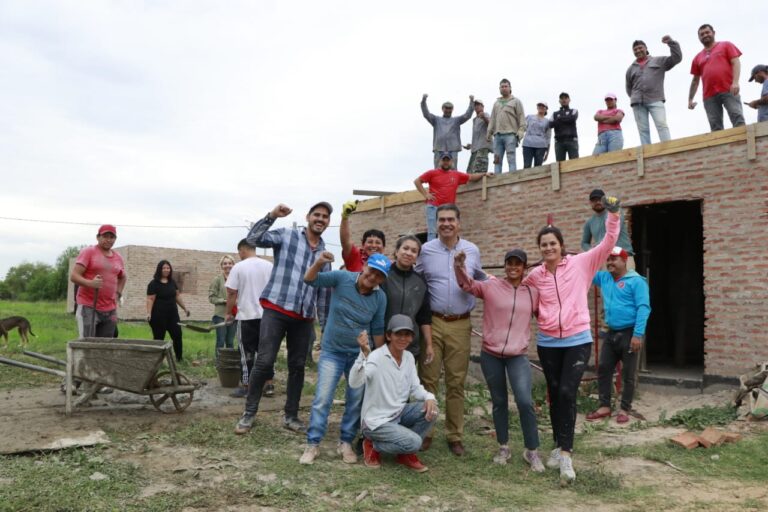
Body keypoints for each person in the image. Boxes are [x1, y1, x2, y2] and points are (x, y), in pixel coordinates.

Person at [523, 194, 621, 484]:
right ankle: (556, 446)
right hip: (548, 342)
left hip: (577, 339)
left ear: (561, 245)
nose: (549, 248)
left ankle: (566, 454)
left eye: (553, 243)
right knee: (555, 394)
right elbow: (514, 289)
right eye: (544, 245)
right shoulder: (535, 275)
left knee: (567, 391)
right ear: (539, 249)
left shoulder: (581, 264)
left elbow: (606, 243)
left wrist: (613, 215)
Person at [234, 201, 332, 435]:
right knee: (264, 360)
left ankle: (291, 415)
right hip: (277, 309)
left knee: (297, 366)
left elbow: (323, 292)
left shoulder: (324, 253)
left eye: (325, 217)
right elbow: (253, 239)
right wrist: (272, 215)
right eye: (317, 215)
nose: (320, 219)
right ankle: (249, 414)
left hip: (304, 316)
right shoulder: (287, 236)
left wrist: (325, 326)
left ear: (328, 222)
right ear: (308, 217)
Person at [454, 248, 545, 471]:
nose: (513, 267)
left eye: (518, 264)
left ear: (525, 268)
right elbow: (467, 284)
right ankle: (503, 447)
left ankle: (531, 450)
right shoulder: (491, 286)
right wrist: (459, 266)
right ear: (505, 265)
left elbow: (545, 313)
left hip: (518, 356)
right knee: (499, 401)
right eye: (509, 263)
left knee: (524, 401)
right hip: (491, 354)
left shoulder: (533, 292)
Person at [299, 252, 389, 465]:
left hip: (358, 356)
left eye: (379, 275)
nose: (373, 277)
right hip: (332, 351)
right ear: (364, 265)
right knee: (323, 398)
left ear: (383, 279)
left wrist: (379, 359)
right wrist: (319, 262)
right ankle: (313, 444)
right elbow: (310, 280)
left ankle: (345, 441)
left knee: (355, 400)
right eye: (372, 270)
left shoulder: (380, 298)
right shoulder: (343, 278)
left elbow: (377, 329)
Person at [415, 204, 484, 456]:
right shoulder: (426, 250)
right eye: (441, 219)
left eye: (450, 219)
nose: (446, 224)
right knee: (428, 380)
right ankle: (426, 431)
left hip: (460, 323)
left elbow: (479, 279)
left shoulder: (472, 250)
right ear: (436, 223)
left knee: (456, 381)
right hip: (431, 324)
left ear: (459, 222)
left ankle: (455, 435)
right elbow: (414, 277)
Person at [349, 315, 439, 472]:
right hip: (375, 421)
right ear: (389, 335)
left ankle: (404, 453)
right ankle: (372, 444)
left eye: (407, 334)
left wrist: (429, 397)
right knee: (415, 442)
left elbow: (415, 388)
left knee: (433, 409)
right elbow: (354, 382)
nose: (403, 338)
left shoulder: (409, 357)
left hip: (397, 413)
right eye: (399, 334)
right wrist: (363, 354)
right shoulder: (376, 357)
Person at [586, 247, 651, 424]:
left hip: (630, 333)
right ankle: (605, 406)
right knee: (604, 369)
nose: (609, 262)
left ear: (624, 261)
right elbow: (586, 271)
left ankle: (625, 408)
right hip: (612, 333)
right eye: (608, 259)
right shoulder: (605, 278)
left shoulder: (636, 281)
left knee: (629, 374)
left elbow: (643, 308)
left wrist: (638, 335)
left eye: (614, 259)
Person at [225, 239, 274, 398]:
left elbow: (232, 293)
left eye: (239, 253)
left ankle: (247, 386)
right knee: (265, 352)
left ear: (242, 250)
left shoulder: (238, 267)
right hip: (267, 317)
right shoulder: (269, 266)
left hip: (246, 317)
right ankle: (268, 385)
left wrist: (228, 313)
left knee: (246, 353)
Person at [380, 235, 433, 362]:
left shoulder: (420, 282)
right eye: (405, 248)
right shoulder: (382, 276)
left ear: (417, 257)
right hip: (383, 343)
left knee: (406, 381)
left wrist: (429, 345)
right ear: (397, 251)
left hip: (409, 345)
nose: (409, 253)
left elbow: (424, 317)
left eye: (414, 251)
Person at [414, 153, 490, 241]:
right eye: (444, 160)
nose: (446, 162)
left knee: (449, 231)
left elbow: (471, 177)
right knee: (433, 231)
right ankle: (431, 254)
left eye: (448, 160)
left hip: (448, 209)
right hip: (433, 206)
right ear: (440, 162)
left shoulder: (456, 175)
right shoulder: (432, 173)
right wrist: (426, 194)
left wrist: (484, 174)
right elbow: (417, 181)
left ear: (451, 162)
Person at [70, 224, 126, 338]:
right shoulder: (89, 252)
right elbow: (74, 276)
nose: (108, 239)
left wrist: (118, 293)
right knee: (88, 344)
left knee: (106, 346)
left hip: (110, 309)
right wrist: (90, 283)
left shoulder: (118, 258)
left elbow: (123, 277)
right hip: (88, 307)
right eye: (105, 236)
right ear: (98, 237)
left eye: (112, 237)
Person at [625, 36, 682, 145]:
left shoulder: (659, 61)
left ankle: (668, 148)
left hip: (655, 99)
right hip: (637, 103)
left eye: (640, 48)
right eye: (635, 49)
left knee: (662, 125)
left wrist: (671, 43)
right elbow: (628, 87)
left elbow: (677, 58)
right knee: (643, 131)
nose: (638, 51)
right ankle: (646, 153)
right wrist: (634, 97)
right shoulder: (630, 69)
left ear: (646, 48)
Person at [688, 24, 745, 131]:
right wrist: (690, 99)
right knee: (715, 126)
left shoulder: (726, 45)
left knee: (737, 117)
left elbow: (736, 62)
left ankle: (744, 145)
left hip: (728, 89)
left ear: (713, 33)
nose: (705, 35)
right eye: (702, 34)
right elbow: (695, 80)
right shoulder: (697, 58)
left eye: (707, 32)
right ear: (699, 38)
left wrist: (735, 82)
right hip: (709, 96)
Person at [146, 260, 190, 362]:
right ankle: (157, 361)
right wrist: (148, 313)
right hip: (158, 316)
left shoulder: (172, 282)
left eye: (168, 268)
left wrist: (185, 308)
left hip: (173, 315)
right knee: (159, 339)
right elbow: (150, 299)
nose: (166, 270)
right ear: (159, 270)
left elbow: (177, 296)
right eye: (164, 268)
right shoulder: (153, 284)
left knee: (177, 335)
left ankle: (179, 359)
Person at [581, 189, 635, 269]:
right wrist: (591, 250)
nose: (597, 202)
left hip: (623, 257)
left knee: (628, 281)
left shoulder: (615, 212)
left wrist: (597, 246)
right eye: (594, 200)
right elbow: (584, 243)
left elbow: (612, 232)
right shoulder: (590, 222)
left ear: (605, 200)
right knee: (606, 281)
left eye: (600, 199)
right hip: (606, 260)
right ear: (590, 203)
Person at [421, 94, 474, 168]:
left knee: (452, 169)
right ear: (442, 109)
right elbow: (426, 114)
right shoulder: (436, 120)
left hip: (453, 148)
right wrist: (423, 101)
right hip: (439, 148)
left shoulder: (456, 120)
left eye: (450, 108)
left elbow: (467, 115)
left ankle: (453, 180)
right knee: (438, 169)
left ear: (452, 109)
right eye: (446, 108)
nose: (448, 110)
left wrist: (471, 102)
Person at [487, 79, 526, 173]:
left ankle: (512, 178)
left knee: (511, 158)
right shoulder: (496, 103)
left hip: (510, 134)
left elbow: (521, 117)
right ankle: (496, 180)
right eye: (502, 87)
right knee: (497, 160)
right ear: (499, 89)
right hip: (497, 134)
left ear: (510, 88)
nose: (504, 88)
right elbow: (492, 119)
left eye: (506, 86)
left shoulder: (516, 101)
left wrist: (521, 131)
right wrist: (489, 131)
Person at [339, 200, 386, 272]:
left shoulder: (387, 265)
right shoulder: (355, 257)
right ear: (363, 245)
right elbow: (345, 242)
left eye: (378, 243)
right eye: (370, 242)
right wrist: (345, 217)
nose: (373, 245)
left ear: (383, 247)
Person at [209, 255, 237, 355]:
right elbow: (211, 297)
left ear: (234, 265)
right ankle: (219, 363)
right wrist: (224, 300)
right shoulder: (217, 280)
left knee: (230, 341)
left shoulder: (237, 279)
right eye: (225, 263)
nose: (227, 265)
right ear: (221, 266)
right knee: (220, 340)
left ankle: (229, 363)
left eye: (230, 263)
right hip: (220, 315)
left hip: (234, 315)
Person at [463, 99, 491, 174]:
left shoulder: (486, 114)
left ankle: (482, 185)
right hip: (475, 149)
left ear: (482, 106)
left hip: (483, 147)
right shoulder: (474, 120)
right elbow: (478, 135)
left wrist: (484, 117)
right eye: (475, 105)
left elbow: (491, 126)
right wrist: (471, 145)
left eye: (478, 105)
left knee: (480, 170)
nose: (477, 107)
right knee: (469, 172)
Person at [522, 102, 552, 168]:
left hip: (541, 146)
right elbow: (522, 127)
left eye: (543, 106)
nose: (541, 107)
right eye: (539, 105)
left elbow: (548, 137)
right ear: (537, 107)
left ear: (546, 109)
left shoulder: (548, 121)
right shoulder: (529, 117)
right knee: (527, 166)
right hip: (528, 144)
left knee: (538, 167)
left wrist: (547, 152)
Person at [551, 92, 579, 162]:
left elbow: (572, 118)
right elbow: (550, 124)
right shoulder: (555, 113)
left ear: (569, 100)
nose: (564, 100)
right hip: (559, 142)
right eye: (562, 98)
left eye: (566, 98)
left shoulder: (574, 110)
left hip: (572, 140)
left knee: (574, 164)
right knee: (559, 165)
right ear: (559, 101)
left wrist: (559, 119)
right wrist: (565, 118)